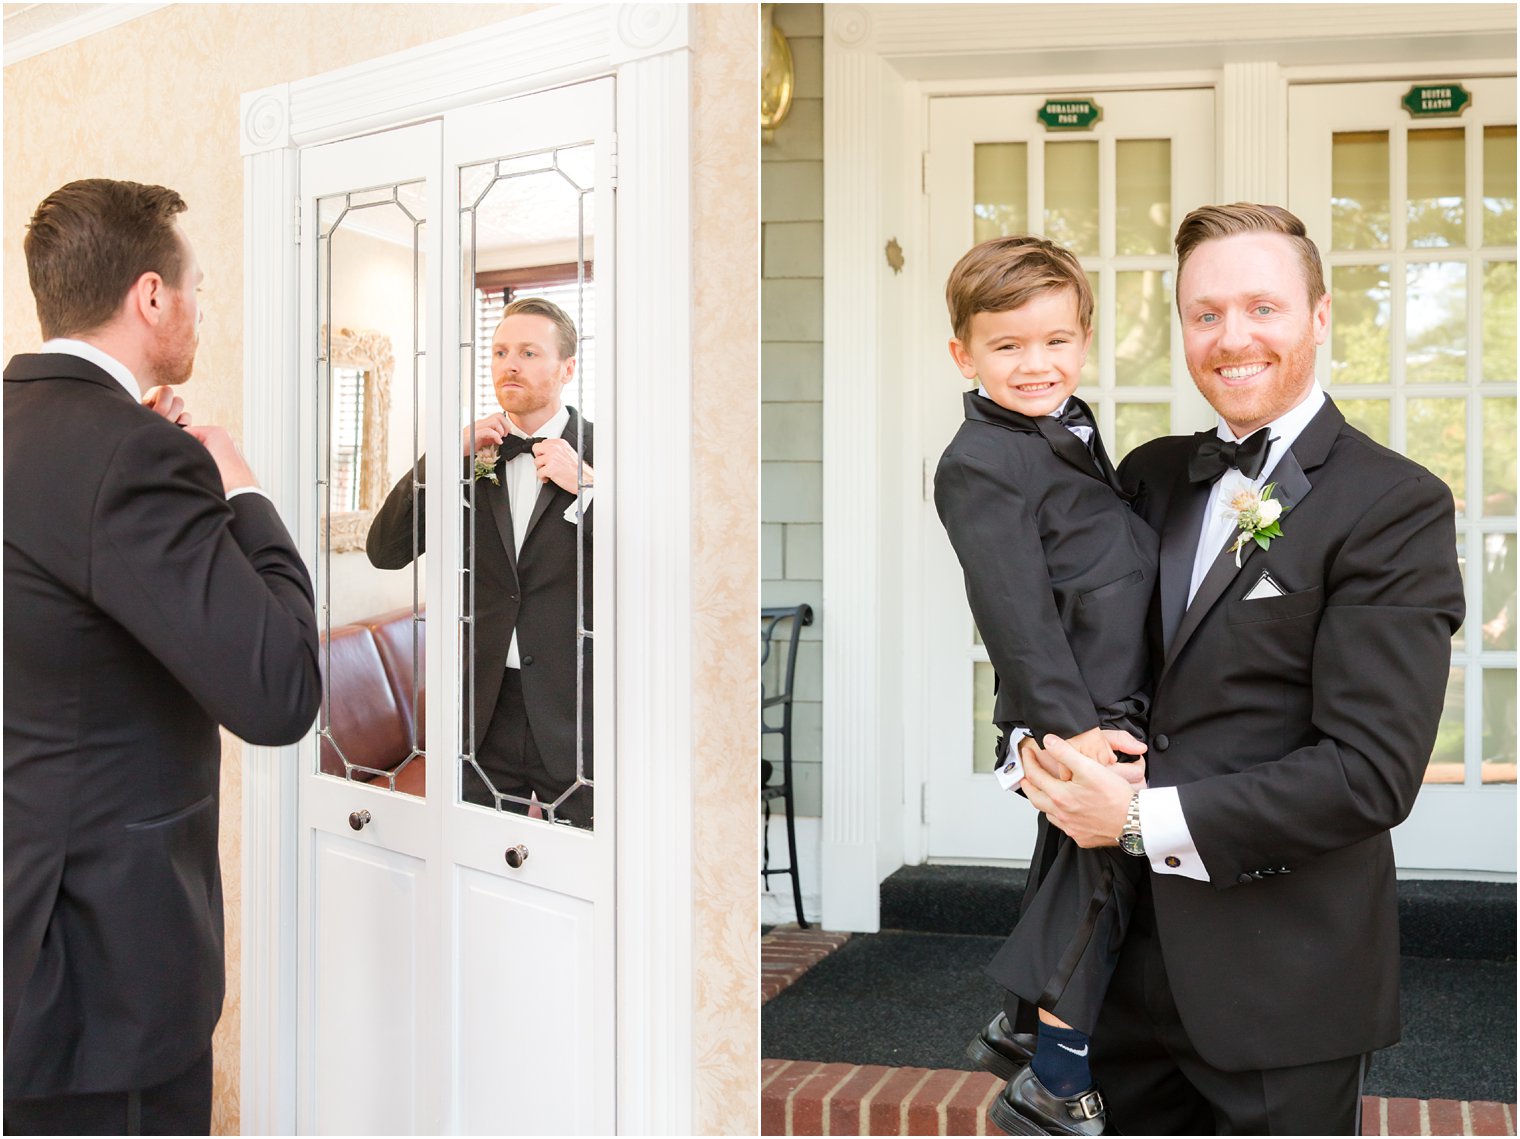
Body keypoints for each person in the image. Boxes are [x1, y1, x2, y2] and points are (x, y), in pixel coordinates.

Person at [1013, 203, 1464, 1135]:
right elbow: (1057, 641)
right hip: (1115, 965)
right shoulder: (1147, 474)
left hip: (1282, 983)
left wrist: (1135, 815)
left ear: (1320, 316)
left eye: (1263, 307)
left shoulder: (1395, 504)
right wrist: (1034, 745)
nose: (1232, 338)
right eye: (1205, 313)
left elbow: (1370, 772)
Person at [4, 178, 322, 1134]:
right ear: (150, 297)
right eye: (195, 289)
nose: (198, 310)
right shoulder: (139, 457)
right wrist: (240, 490)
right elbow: (279, 690)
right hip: (102, 975)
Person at [934, 235, 1154, 1136]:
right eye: (1008, 346)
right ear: (964, 354)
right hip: (1082, 704)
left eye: (1056, 340)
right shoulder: (978, 460)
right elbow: (1014, 613)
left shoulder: (1066, 421)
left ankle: (1022, 1028)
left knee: (1071, 864)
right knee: (1104, 875)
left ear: (1086, 340)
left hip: (1113, 682)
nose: (1037, 364)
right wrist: (1071, 733)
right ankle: (1054, 1080)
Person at [367, 296, 594, 826]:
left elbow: (645, 570)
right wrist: (445, 456)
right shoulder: (471, 458)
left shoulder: (610, 453)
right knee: (480, 870)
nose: (509, 364)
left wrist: (587, 486)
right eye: (499, 352)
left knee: (586, 876)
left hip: (578, 714)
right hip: (482, 713)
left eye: (529, 352)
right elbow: (385, 551)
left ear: (567, 369)